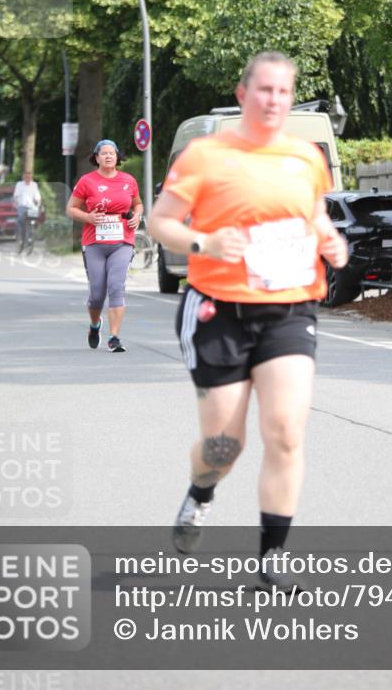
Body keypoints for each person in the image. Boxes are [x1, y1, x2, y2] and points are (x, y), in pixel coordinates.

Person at [148, 51, 348, 589]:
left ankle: (273, 558)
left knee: (285, 431)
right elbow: (161, 222)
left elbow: (314, 214)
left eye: (284, 91)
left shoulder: (306, 156)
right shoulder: (205, 155)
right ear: (242, 94)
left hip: (289, 308)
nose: (274, 100)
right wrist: (204, 242)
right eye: (264, 90)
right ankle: (200, 493)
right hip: (218, 309)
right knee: (224, 447)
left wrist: (330, 239)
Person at [66, 140, 143, 353]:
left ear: (117, 157)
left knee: (116, 287)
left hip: (122, 241)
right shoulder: (87, 181)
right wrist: (88, 217)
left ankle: (114, 337)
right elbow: (71, 208)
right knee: (97, 294)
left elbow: (137, 203)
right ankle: (94, 325)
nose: (108, 156)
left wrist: (137, 215)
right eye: (104, 153)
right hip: (94, 243)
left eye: (112, 153)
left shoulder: (128, 180)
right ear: (96, 158)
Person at [13, 171, 42, 253]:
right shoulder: (19, 185)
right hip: (21, 207)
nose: (28, 179)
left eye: (29, 177)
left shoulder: (34, 185)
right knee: (20, 222)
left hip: (31, 207)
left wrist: (38, 203)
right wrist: (16, 203)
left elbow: (37, 196)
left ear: (31, 177)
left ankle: (30, 241)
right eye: (26, 177)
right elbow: (16, 196)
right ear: (23, 177)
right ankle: (20, 239)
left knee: (31, 224)